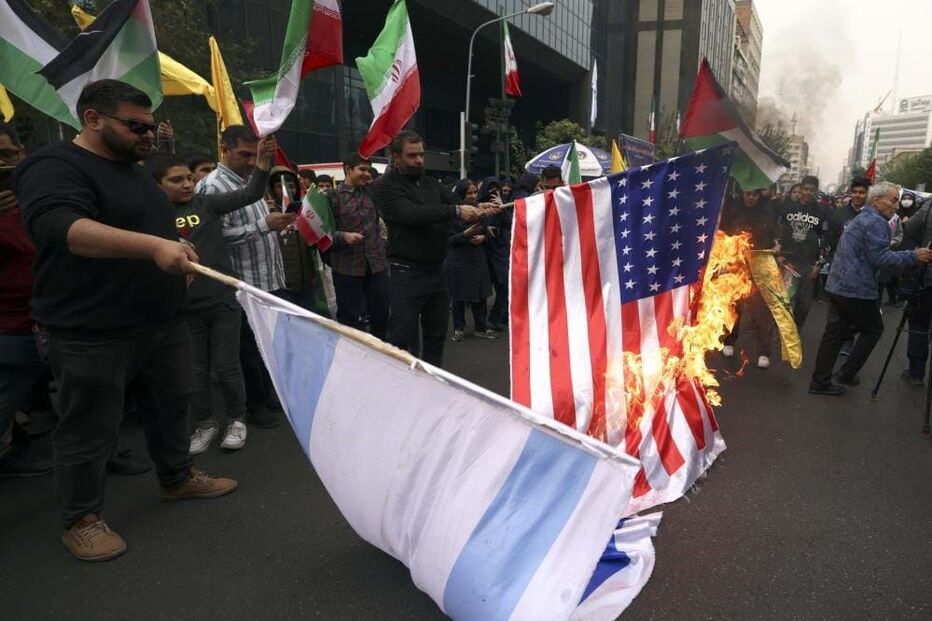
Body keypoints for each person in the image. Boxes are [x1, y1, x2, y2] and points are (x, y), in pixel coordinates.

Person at [13, 79, 237, 561]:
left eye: (152, 128)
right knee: (89, 426)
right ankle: (81, 518)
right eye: (136, 126)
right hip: (90, 330)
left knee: (173, 404)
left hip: (162, 320)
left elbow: (158, 230)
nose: (148, 137)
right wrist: (156, 248)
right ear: (92, 119)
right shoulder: (52, 167)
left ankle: (175, 477)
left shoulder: (136, 172)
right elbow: (64, 229)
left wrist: (179, 257)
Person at [144, 136, 276, 454]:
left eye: (189, 178)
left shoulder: (207, 204)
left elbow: (251, 193)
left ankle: (236, 419)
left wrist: (261, 165)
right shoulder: (148, 217)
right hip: (183, 309)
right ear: (155, 185)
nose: (188, 184)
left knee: (228, 366)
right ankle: (205, 423)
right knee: (196, 371)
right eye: (177, 180)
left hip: (222, 302)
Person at [197, 125, 295, 428]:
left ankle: (268, 394)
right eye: (244, 154)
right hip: (242, 284)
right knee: (249, 350)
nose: (252, 161)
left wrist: (277, 226)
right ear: (223, 150)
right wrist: (265, 225)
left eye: (255, 155)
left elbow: (258, 222)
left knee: (270, 344)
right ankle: (254, 405)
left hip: (269, 279)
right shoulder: (211, 187)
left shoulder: (252, 182)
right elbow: (215, 238)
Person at [808, 182, 932, 396]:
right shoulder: (876, 222)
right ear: (876, 200)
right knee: (873, 329)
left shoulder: (865, 217)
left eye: (897, 200)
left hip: (839, 285)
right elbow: (880, 258)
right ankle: (846, 374)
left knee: (834, 334)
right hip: (856, 288)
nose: (896, 205)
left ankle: (820, 382)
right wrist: (914, 255)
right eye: (893, 200)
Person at [376, 130, 487, 366]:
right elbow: (411, 214)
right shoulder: (386, 186)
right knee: (400, 338)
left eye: (421, 155)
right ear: (396, 156)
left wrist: (480, 207)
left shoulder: (430, 183)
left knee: (436, 336)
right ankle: (395, 390)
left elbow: (454, 203)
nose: (419, 160)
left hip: (436, 271)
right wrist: (457, 211)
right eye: (412, 156)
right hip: (406, 272)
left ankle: (433, 384)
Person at [0, 122, 52, 477]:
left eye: (5, 156)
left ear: (21, 154)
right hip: (8, 334)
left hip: (55, 324)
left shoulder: (44, 191)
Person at [329, 152, 389, 339]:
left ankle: (380, 355)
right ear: (347, 169)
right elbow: (319, 233)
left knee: (381, 314)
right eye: (361, 169)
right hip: (347, 267)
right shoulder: (331, 197)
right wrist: (342, 236)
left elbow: (391, 173)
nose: (366, 173)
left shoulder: (372, 191)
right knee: (350, 318)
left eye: (368, 169)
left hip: (377, 264)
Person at [720, 189, 779, 368]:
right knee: (734, 305)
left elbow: (775, 237)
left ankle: (763, 352)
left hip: (761, 265)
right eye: (748, 194)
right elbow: (723, 237)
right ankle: (729, 341)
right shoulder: (733, 212)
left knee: (762, 309)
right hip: (737, 265)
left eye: (754, 195)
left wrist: (776, 245)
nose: (751, 198)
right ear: (743, 194)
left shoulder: (767, 213)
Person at [447, 179, 498, 342]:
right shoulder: (454, 213)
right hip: (459, 260)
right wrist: (465, 234)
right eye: (469, 192)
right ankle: (458, 328)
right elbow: (449, 240)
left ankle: (481, 327)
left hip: (477, 257)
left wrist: (484, 236)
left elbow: (492, 231)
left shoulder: (480, 210)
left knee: (480, 294)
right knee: (458, 296)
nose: (473, 195)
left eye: (475, 192)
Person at [777, 175, 829, 328]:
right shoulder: (788, 207)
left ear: (816, 191)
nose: (808, 193)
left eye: (811, 190)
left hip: (809, 266)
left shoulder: (823, 212)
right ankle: (781, 332)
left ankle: (795, 331)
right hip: (788, 263)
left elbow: (826, 239)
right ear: (800, 189)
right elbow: (778, 232)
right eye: (805, 189)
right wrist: (779, 255)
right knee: (783, 301)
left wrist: (819, 264)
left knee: (804, 304)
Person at [902, 195, 932, 385]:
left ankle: (916, 373)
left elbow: (910, 229)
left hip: (926, 277)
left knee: (919, 325)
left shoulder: (928, 206)